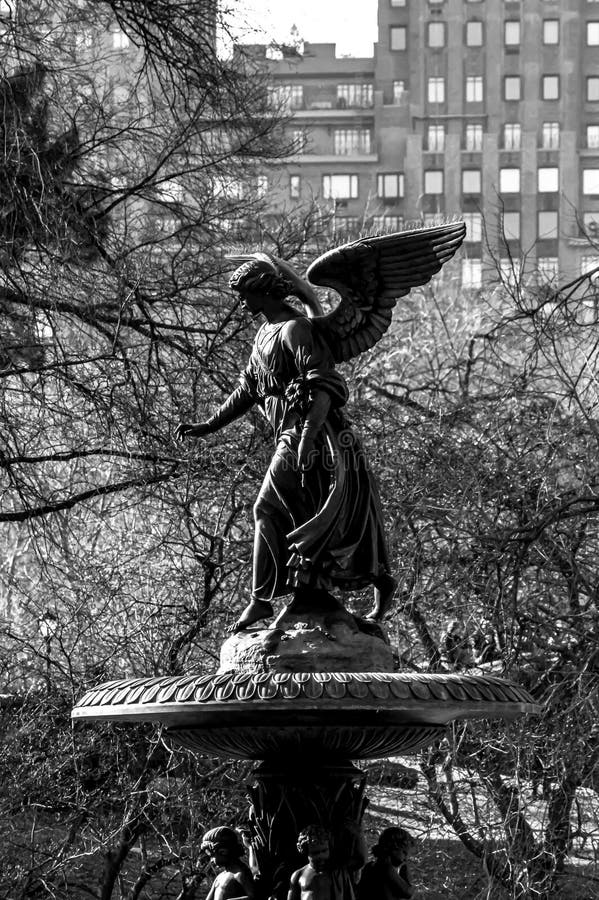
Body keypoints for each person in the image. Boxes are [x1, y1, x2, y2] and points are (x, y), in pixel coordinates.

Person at [175, 258, 396, 631]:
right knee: (296, 514)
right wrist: (208, 424)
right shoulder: (264, 335)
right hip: (290, 436)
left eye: (245, 295)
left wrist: (308, 438)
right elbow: (246, 390)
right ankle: (319, 588)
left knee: (266, 507)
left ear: (263, 291)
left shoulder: (295, 329)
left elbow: (324, 384)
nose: (241, 303)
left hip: (315, 436)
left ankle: (261, 600)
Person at [288, 825, 360, 900]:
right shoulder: (298, 875)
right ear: (306, 852)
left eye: (324, 851)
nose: (321, 856)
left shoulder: (339, 874)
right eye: (315, 853)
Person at [357, 826, 414, 899]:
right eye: (404, 853)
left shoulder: (370, 866)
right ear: (393, 848)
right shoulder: (385, 867)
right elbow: (408, 893)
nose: (406, 858)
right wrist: (405, 867)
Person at [201, 826, 256, 900]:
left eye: (212, 856)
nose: (211, 860)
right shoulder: (219, 877)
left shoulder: (240, 873)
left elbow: (253, 897)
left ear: (223, 851)